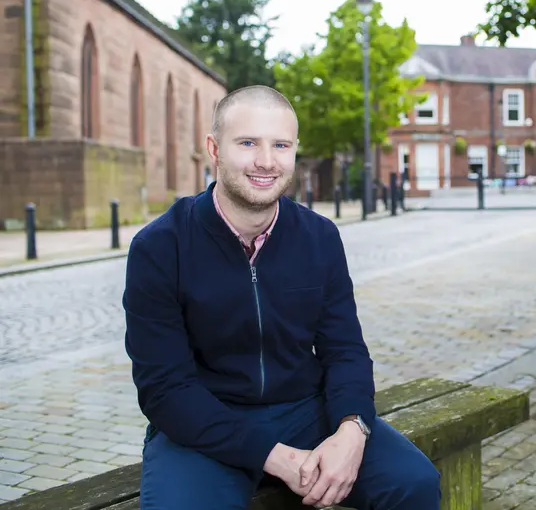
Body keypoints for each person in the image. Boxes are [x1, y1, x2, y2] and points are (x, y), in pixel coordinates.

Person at [123, 85, 441, 510]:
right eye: (248, 142)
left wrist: (352, 429)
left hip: (305, 411)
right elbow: (164, 388)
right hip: (204, 422)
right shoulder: (161, 246)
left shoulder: (319, 238)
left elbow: (345, 350)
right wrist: (277, 458)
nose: (266, 161)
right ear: (214, 148)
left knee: (414, 483)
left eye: (281, 145)